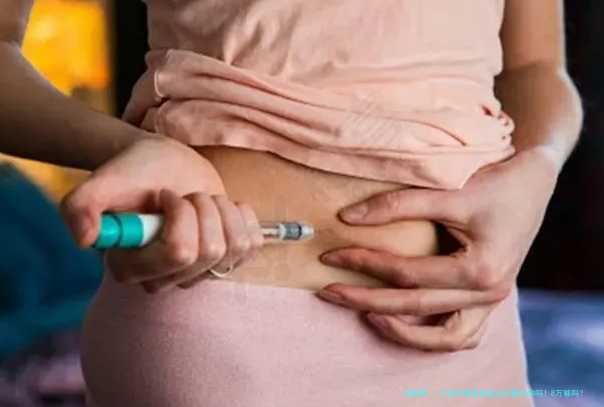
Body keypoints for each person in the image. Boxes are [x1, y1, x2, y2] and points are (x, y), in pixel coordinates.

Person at [0, 0, 582, 406]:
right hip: (223, 340)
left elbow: (537, 67)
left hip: (469, 336)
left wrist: (537, 170)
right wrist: (131, 147)